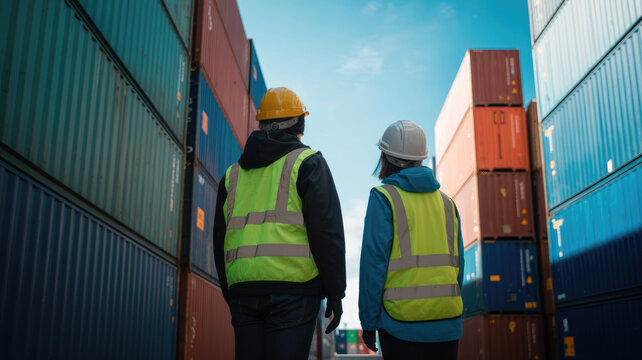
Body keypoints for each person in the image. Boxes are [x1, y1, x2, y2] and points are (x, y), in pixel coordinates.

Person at [213, 87, 346, 360]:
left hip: (244, 293)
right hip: (293, 293)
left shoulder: (232, 174)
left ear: (261, 124)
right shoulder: (308, 163)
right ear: (299, 125)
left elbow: (219, 241)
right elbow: (327, 234)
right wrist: (335, 292)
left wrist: (233, 293)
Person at [358, 120, 464, 360]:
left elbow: (373, 266)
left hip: (400, 323)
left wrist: (368, 321)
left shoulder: (383, 198)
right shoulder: (448, 203)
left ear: (386, 158)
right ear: (421, 158)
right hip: (447, 323)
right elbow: (459, 266)